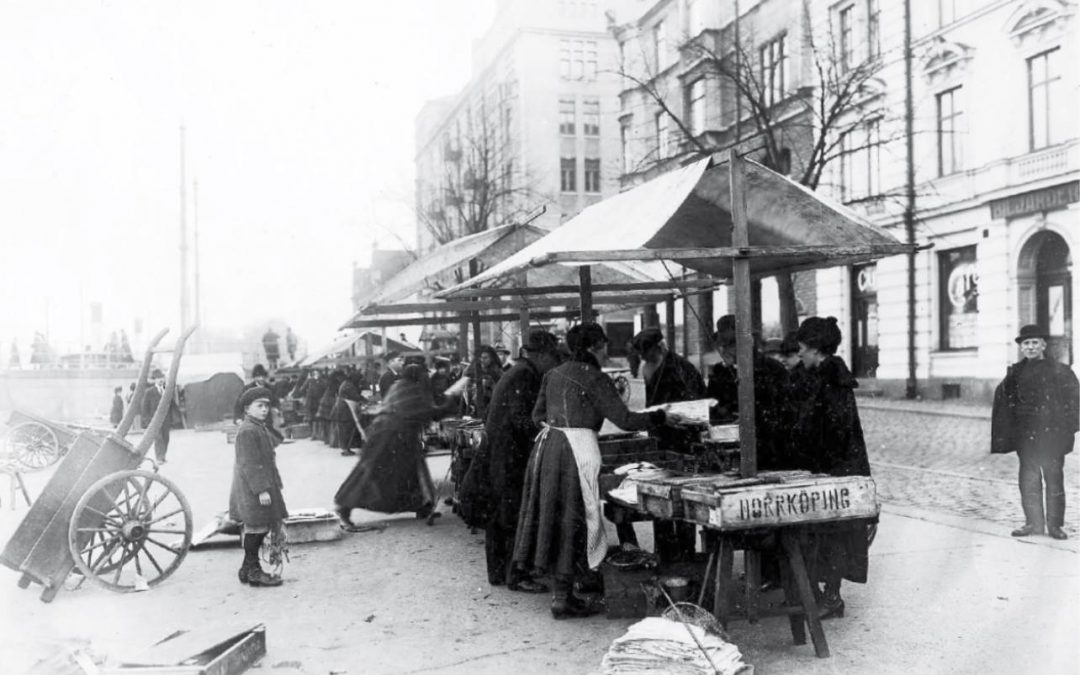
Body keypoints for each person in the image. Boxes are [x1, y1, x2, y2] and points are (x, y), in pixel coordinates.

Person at [512, 323, 675, 620]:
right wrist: (662, 416)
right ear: (593, 347)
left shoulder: (552, 374)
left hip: (548, 448)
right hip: (578, 450)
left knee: (555, 517)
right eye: (603, 346)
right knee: (576, 519)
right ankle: (563, 598)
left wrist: (560, 428)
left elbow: (537, 416)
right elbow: (625, 419)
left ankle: (567, 587)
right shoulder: (595, 378)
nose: (605, 352)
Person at [789, 316, 873, 620]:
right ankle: (822, 593)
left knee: (834, 537)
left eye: (802, 349)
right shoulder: (817, 374)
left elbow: (834, 432)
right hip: (825, 469)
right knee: (821, 536)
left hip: (837, 471)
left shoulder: (833, 381)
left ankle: (833, 597)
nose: (799, 355)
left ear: (817, 350)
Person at [476, 330, 562, 593]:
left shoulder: (519, 371)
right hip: (508, 454)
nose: (554, 363)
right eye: (552, 358)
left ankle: (499, 573)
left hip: (500, 451)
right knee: (514, 513)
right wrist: (546, 435)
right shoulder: (524, 375)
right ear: (542, 355)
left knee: (501, 513)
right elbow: (520, 418)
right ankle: (517, 576)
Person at [334, 364, 464, 527]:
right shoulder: (411, 390)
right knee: (373, 475)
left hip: (387, 435)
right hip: (390, 438)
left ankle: (423, 506)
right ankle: (344, 507)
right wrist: (451, 399)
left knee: (407, 474)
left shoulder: (399, 386)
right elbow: (429, 412)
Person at [991, 324, 1078, 540]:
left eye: (1034, 343)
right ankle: (1033, 523)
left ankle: (1055, 526)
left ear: (1043, 345)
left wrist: (1068, 428)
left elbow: (1075, 401)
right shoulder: (1015, 373)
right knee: (1029, 480)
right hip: (1026, 437)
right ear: (1021, 348)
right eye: (1026, 344)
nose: (1030, 347)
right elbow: (1003, 399)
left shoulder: (1060, 370)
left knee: (1054, 480)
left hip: (1052, 436)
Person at [630, 327, 705, 559]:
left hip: (682, 442)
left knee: (683, 501)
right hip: (659, 442)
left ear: (660, 348)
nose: (645, 360)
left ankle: (686, 554)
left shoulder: (684, 370)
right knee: (658, 500)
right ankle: (663, 553)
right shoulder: (647, 367)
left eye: (648, 354)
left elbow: (697, 409)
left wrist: (677, 420)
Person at [708, 315, 792, 470]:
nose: (724, 350)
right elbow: (712, 404)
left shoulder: (773, 370)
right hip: (728, 449)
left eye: (731, 344)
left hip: (766, 450)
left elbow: (784, 409)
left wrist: (753, 415)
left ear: (748, 343)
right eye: (722, 345)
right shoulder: (719, 372)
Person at [229, 387, 287, 587]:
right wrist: (261, 489)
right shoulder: (247, 431)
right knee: (256, 527)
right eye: (259, 406)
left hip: (260, 484)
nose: (264, 410)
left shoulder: (257, 426)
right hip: (252, 489)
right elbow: (249, 463)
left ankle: (246, 569)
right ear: (247, 409)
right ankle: (254, 571)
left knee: (260, 526)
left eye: (266, 406)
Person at [141, 369, 179, 464]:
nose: (160, 380)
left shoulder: (167, 390)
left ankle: (163, 456)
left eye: (162, 378)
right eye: (158, 378)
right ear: (155, 380)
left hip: (166, 419)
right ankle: (159, 457)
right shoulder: (149, 392)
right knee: (158, 438)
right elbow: (144, 407)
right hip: (154, 420)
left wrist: (176, 415)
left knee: (166, 437)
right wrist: (146, 420)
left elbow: (172, 404)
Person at [466, 345, 503, 420]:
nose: (482, 360)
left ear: (492, 358)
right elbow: (466, 393)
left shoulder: (498, 373)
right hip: (475, 410)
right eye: (480, 358)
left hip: (492, 411)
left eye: (485, 358)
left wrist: (488, 385)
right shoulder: (472, 372)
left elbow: (500, 393)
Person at [331, 374, 363, 456]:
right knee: (345, 430)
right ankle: (345, 450)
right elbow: (355, 396)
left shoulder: (346, 383)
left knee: (345, 430)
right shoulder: (348, 385)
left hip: (343, 409)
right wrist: (365, 399)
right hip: (344, 410)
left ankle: (346, 448)